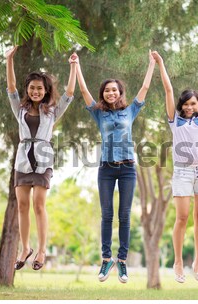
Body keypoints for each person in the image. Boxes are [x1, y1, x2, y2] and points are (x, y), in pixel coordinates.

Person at [75, 51, 156, 283]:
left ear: (120, 93)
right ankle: (106, 258)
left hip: (128, 168)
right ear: (103, 94)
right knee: (107, 214)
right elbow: (83, 92)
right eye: (107, 90)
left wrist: (151, 64)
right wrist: (77, 66)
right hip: (106, 169)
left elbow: (145, 88)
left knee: (125, 215)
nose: (111, 93)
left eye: (115, 90)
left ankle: (122, 262)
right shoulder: (98, 113)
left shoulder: (130, 110)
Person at [6, 46, 77, 271]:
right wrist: (9, 60)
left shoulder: (52, 110)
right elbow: (10, 88)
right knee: (22, 206)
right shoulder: (19, 108)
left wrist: (73, 67)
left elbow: (69, 94)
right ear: (28, 89)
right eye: (32, 88)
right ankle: (25, 247)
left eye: (40, 88)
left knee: (39, 205)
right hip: (23, 161)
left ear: (46, 91)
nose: (36, 91)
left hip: (44, 159)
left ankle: (42, 250)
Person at [152, 47, 198, 283]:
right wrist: (160, 63)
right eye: (185, 104)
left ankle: (197, 261)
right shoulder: (174, 120)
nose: (189, 107)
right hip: (182, 172)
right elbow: (168, 89)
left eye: (193, 104)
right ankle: (178, 261)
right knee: (182, 217)